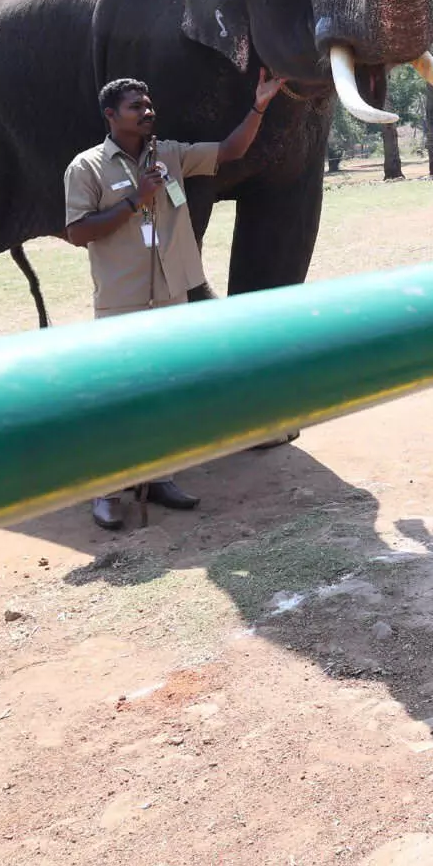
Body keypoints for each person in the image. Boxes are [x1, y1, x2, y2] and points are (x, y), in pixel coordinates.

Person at [65, 69, 286, 529]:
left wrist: (260, 104)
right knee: (120, 396)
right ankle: (106, 490)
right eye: (135, 107)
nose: (148, 113)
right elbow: (77, 231)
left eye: (149, 106)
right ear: (110, 116)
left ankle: (158, 478)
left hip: (170, 295)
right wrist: (133, 201)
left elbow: (230, 151)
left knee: (164, 391)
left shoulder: (169, 154)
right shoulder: (86, 167)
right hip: (121, 299)